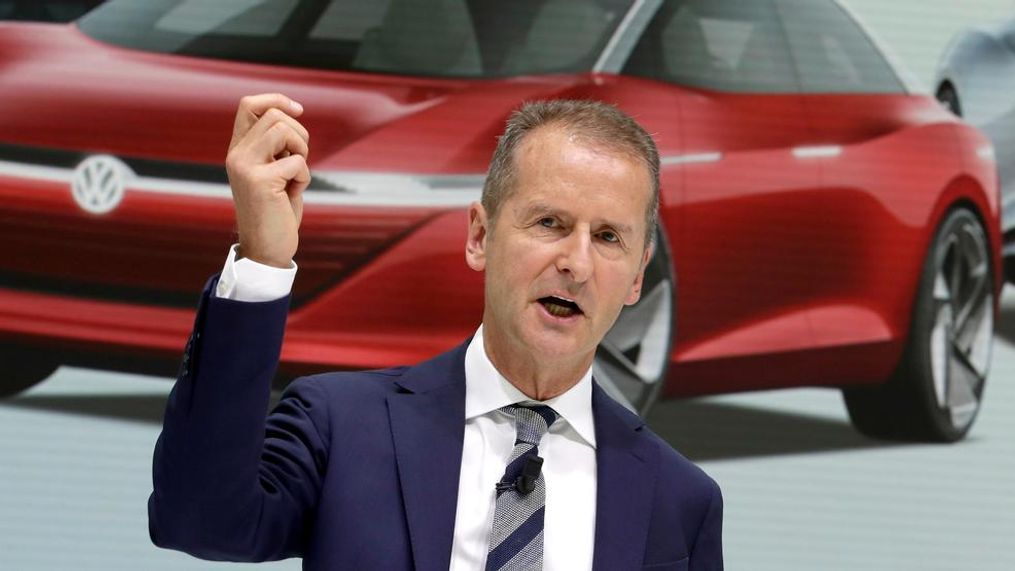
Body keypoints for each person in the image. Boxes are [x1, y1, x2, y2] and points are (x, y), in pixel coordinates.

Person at [148, 93, 723, 570]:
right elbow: (198, 519)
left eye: (607, 238)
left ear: (636, 278)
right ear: (479, 236)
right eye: (549, 222)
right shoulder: (343, 425)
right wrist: (262, 263)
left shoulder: (680, 503)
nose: (576, 262)